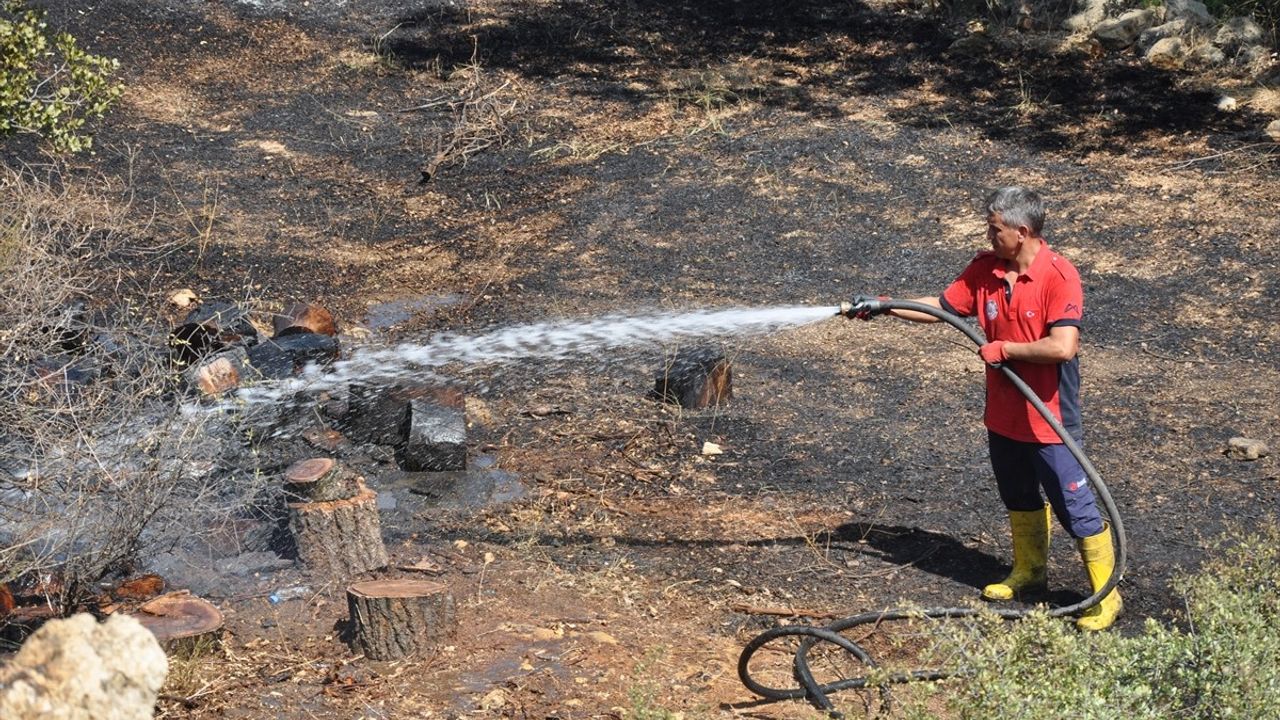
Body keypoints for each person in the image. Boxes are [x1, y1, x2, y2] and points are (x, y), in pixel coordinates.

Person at [851, 186, 1121, 631]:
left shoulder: (1060, 276)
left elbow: (1063, 346)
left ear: (1022, 231)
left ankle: (1106, 596)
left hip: (1049, 417)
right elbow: (943, 308)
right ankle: (1030, 573)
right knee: (1017, 495)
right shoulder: (985, 269)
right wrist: (886, 306)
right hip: (1004, 415)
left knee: (1076, 508)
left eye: (995, 229)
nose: (989, 235)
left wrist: (1007, 349)